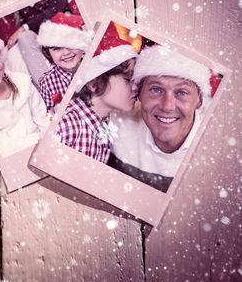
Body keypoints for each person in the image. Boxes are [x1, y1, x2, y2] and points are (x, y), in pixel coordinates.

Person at [109, 44, 214, 192]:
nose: (167, 106)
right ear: (139, 93)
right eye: (156, 89)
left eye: (182, 92)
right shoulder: (115, 123)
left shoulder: (215, 153)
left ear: (199, 101)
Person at [56, 23, 138, 163]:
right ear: (94, 84)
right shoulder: (66, 125)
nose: (135, 87)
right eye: (128, 79)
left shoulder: (105, 123)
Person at [36, 12, 93, 113]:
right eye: (57, 48)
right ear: (48, 53)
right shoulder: (47, 83)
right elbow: (53, 115)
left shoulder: (94, 65)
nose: (66, 52)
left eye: (71, 45)